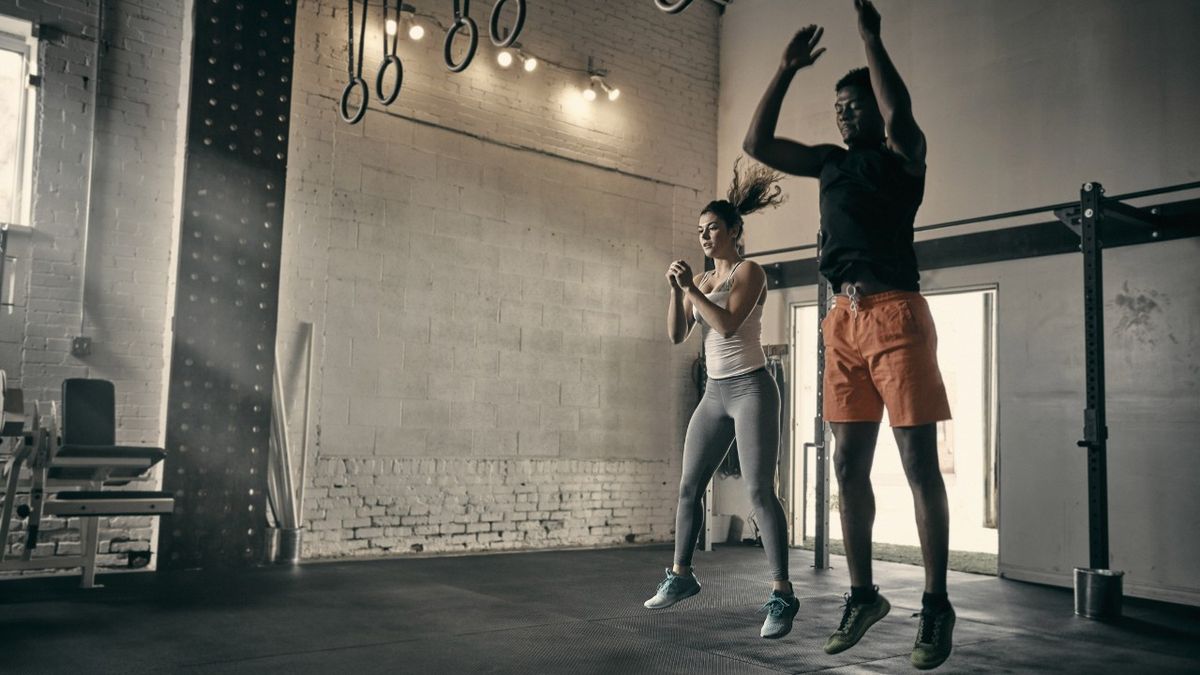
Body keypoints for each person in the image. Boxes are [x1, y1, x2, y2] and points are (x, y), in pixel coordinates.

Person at [743, 0, 955, 669]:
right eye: (838, 106)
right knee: (845, 465)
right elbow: (757, 145)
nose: (844, 112)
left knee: (919, 466)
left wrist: (870, 40)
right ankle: (863, 594)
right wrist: (781, 70)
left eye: (853, 104)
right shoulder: (830, 163)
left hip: (897, 315)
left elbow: (899, 115)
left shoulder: (902, 159)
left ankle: (936, 604)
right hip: (843, 322)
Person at [644, 159, 797, 640]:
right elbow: (676, 335)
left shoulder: (750, 272)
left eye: (713, 229)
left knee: (758, 492)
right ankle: (682, 575)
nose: (706, 237)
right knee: (689, 487)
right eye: (700, 231)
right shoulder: (702, 282)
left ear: (734, 231)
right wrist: (677, 292)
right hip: (715, 392)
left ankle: (781, 594)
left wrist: (691, 287)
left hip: (751, 388)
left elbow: (728, 324)